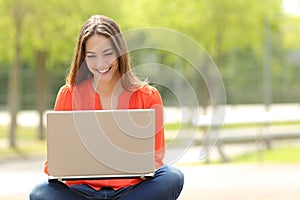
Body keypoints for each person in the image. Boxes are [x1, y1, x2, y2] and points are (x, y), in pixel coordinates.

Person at [29, 15, 184, 200]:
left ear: (120, 52)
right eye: (92, 56)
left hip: (132, 190)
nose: (101, 64)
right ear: (83, 58)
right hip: (83, 191)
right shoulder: (68, 95)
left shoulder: (147, 96)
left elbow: (157, 156)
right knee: (40, 192)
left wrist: (144, 166)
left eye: (108, 54)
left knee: (172, 177)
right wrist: (60, 166)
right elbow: (55, 160)